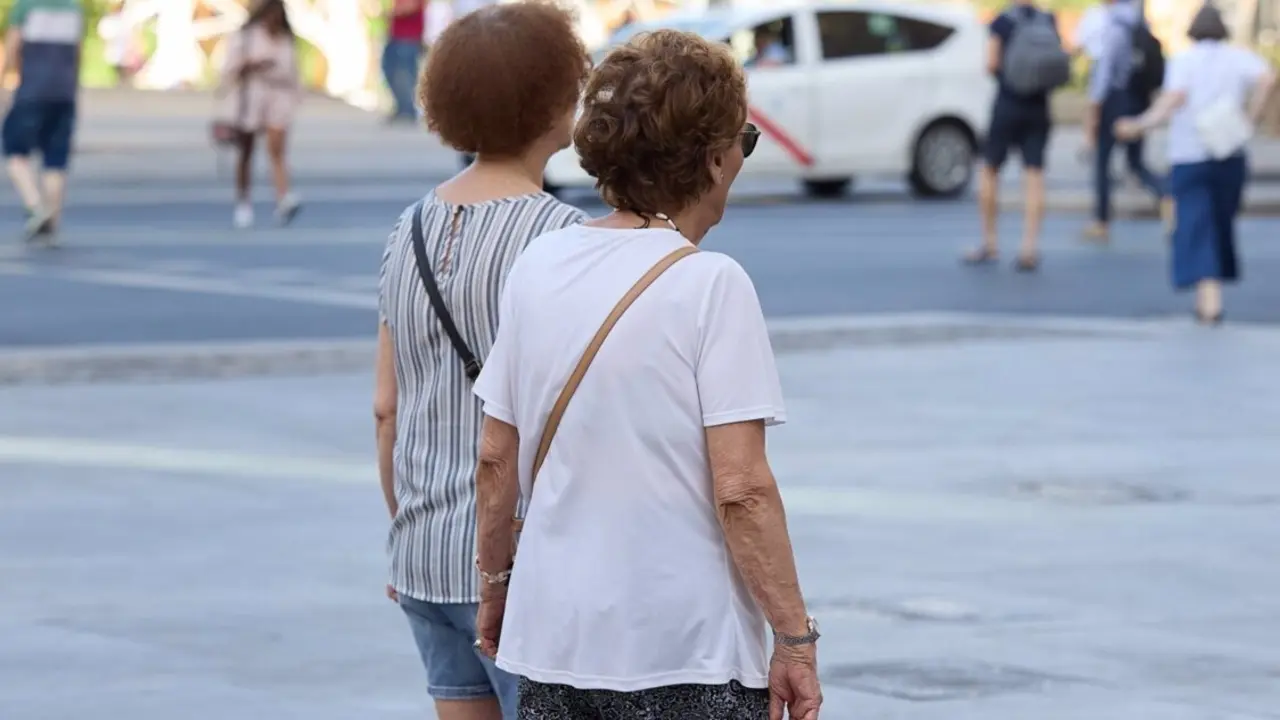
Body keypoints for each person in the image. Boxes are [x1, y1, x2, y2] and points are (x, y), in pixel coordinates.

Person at [470, 29, 823, 720]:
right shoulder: (712, 285)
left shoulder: (539, 266)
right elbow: (743, 488)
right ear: (714, 158)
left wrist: (495, 584)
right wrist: (794, 638)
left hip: (555, 643)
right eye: (741, 143)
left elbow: (493, 459)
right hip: (686, 649)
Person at [373, 4, 590, 720]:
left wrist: (407, 526)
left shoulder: (406, 230)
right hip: (519, 568)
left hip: (423, 559)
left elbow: (387, 410)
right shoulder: (564, 237)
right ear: (554, 104)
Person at [1115, 4, 1276, 324]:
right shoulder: (1237, 57)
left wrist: (1140, 124)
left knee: (1195, 224)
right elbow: (1269, 79)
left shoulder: (1185, 61)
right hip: (1229, 151)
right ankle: (1210, 298)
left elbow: (1173, 99)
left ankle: (1209, 300)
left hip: (1190, 155)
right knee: (1219, 223)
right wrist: (1251, 118)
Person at [966, 0, 1062, 271]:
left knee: (989, 170)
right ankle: (1029, 247)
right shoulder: (1048, 20)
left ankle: (990, 242)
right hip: (1039, 107)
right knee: (1034, 176)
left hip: (1008, 103)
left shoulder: (1003, 21)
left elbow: (992, 62)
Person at [1082, 0, 1169, 243]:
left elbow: (1104, 73)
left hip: (1115, 102)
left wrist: (1093, 111)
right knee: (1135, 163)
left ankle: (1101, 220)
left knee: (1102, 161)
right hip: (1139, 101)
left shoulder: (1114, 27)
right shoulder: (1140, 23)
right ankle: (1167, 192)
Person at [0, 0, 84, 245]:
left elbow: (12, 46)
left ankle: (36, 206)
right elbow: (78, 52)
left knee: (15, 150)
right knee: (55, 159)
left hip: (32, 91)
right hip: (64, 93)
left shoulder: (26, 7)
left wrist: (4, 81)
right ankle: (53, 219)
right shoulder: (72, 8)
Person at [218, 0, 302, 230]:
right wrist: (251, 65)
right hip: (251, 99)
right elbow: (228, 69)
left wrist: (295, 98)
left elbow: (292, 72)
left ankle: (283, 197)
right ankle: (243, 202)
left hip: (278, 98)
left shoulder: (285, 39)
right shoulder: (246, 36)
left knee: (277, 149)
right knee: (246, 151)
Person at [382, 0, 425, 124]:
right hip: (396, 34)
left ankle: (407, 109)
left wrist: (393, 12)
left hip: (408, 36)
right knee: (389, 69)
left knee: (405, 73)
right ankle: (401, 106)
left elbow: (411, 6)